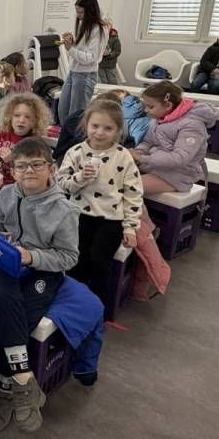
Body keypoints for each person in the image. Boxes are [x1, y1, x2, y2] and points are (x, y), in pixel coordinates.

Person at [0, 137, 80, 434]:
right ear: (13, 170)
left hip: (42, 269)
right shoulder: (6, 194)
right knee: (0, 296)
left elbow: (68, 257)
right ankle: (24, 379)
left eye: (37, 164)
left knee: (19, 316)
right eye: (21, 166)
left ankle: (4, 385)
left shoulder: (64, 210)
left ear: (51, 168)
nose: (28, 171)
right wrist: (0, 238)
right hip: (6, 261)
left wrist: (32, 256)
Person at [56, 100, 144, 313]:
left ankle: (96, 309)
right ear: (86, 125)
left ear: (118, 130)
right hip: (79, 215)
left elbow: (133, 193)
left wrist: (130, 227)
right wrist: (80, 178)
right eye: (95, 126)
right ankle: (73, 304)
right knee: (76, 259)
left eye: (108, 128)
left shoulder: (123, 156)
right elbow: (62, 183)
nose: (100, 132)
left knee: (99, 260)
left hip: (110, 219)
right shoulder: (75, 152)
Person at [131, 81, 218, 195]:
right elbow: (148, 142)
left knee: (127, 187)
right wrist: (138, 152)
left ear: (168, 105)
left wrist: (142, 158)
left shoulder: (192, 125)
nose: (146, 110)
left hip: (177, 176)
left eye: (150, 106)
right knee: (113, 178)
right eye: (145, 106)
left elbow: (179, 158)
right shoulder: (159, 118)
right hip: (154, 167)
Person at [55, 0, 108, 122]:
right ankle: (66, 134)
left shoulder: (99, 29)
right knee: (63, 111)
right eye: (77, 12)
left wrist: (70, 48)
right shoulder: (83, 25)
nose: (78, 15)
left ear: (90, 12)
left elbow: (90, 58)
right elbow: (81, 49)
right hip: (73, 72)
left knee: (76, 116)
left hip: (86, 75)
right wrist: (72, 42)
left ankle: (74, 135)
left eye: (81, 12)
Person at [0, 91, 51, 184]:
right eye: (17, 115)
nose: (21, 120)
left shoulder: (35, 142)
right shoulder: (2, 133)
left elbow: (32, 170)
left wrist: (12, 159)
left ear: (35, 121)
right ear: (9, 117)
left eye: (27, 117)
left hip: (19, 184)